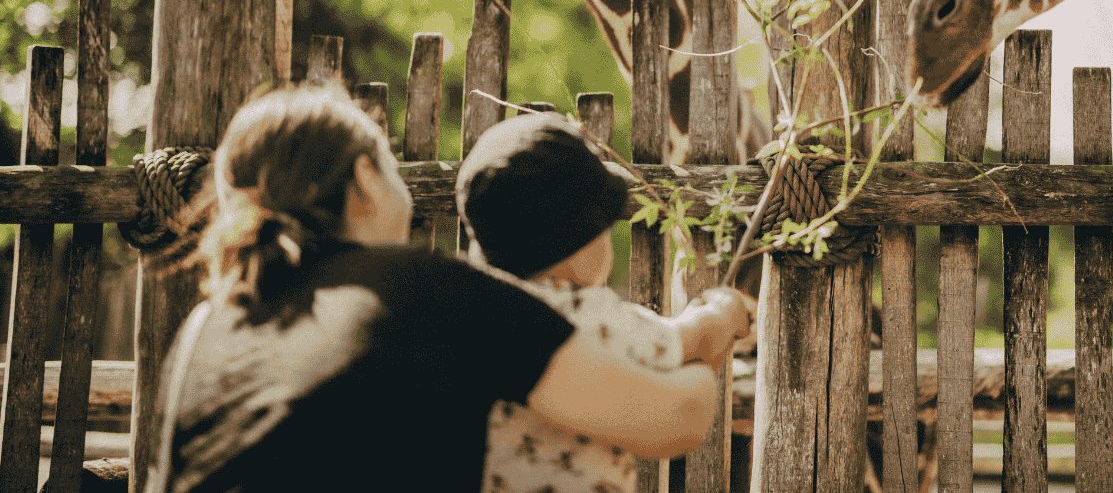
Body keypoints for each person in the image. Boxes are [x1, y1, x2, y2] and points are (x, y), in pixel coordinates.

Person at [148, 86, 730, 493]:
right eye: (394, 167)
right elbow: (672, 416)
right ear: (365, 181)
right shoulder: (427, 292)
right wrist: (709, 343)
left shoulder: (208, 325)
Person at [456, 112, 752, 493]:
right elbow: (689, 339)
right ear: (581, 239)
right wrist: (723, 311)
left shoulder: (477, 319)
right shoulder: (590, 317)